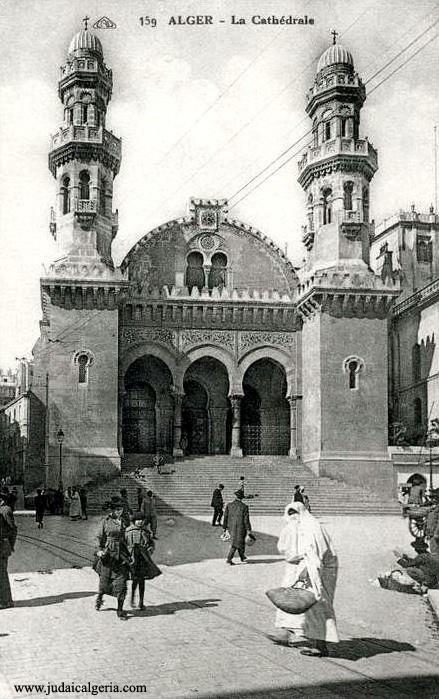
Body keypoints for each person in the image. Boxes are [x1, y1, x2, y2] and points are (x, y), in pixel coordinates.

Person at [272, 502, 339, 657]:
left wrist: (308, 577)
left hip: (318, 570)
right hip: (307, 566)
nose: (292, 517)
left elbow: (315, 556)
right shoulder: (301, 526)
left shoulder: (312, 528)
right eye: (290, 514)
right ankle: (285, 633)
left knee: (316, 604)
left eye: (294, 513)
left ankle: (320, 645)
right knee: (291, 597)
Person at [95, 496, 130, 620]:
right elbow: (99, 537)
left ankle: (120, 610)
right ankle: (100, 597)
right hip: (108, 555)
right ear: (112, 510)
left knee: (121, 582)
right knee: (104, 582)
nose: (119, 512)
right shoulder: (105, 521)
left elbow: (129, 536)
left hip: (122, 555)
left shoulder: (126, 521)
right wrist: (99, 550)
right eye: (116, 510)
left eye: (120, 509)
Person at [125, 511, 162, 610]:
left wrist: (149, 550)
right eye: (138, 520)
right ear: (134, 521)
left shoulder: (146, 532)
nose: (140, 522)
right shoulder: (128, 531)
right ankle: (132, 599)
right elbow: (124, 544)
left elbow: (151, 544)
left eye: (141, 520)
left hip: (143, 559)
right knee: (134, 581)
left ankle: (141, 602)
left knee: (142, 581)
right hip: (132, 559)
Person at [223, 490, 253, 565]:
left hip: (231, 527)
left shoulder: (229, 505)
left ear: (235, 496)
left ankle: (242, 556)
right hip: (241, 528)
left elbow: (225, 517)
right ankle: (229, 559)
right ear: (242, 498)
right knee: (236, 544)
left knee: (238, 542)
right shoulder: (244, 507)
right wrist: (248, 529)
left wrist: (224, 527)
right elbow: (246, 519)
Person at [0, 488, 17, 609]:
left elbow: (13, 529)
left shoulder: (5, 510)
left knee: (2, 573)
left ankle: (6, 601)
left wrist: (10, 545)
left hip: (3, 545)